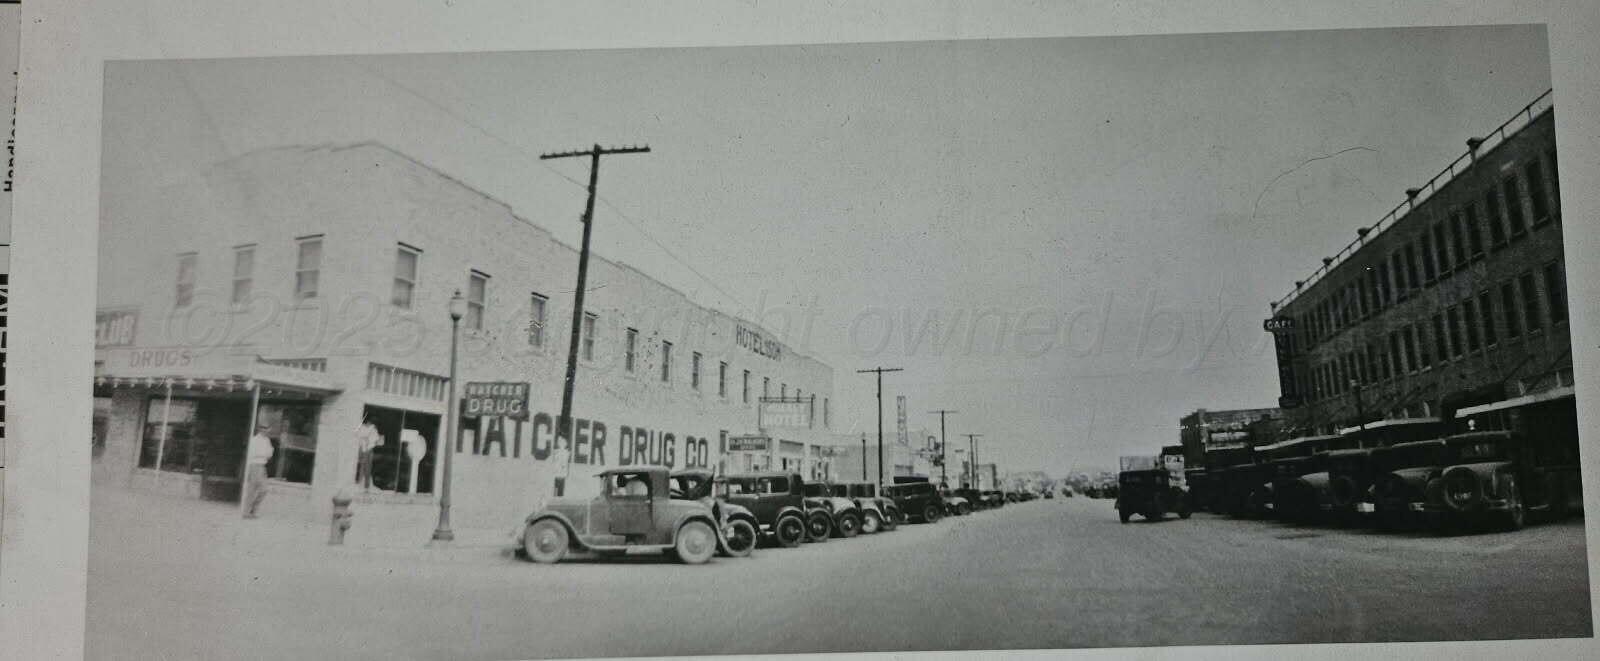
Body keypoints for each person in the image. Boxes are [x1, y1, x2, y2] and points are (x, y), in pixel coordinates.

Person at [242, 424, 275, 519]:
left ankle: (253, 509)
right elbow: (254, 454)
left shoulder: (267, 440)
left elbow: (270, 454)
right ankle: (247, 512)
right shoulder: (254, 440)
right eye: (264, 429)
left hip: (262, 466)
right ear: (260, 429)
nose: (266, 431)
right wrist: (266, 453)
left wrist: (266, 453)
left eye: (267, 429)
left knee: (264, 489)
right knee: (252, 489)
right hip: (255, 465)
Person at [355, 418, 381, 491]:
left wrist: (369, 441)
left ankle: (366, 485)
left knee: (367, 467)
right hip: (361, 448)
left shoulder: (373, 429)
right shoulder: (361, 427)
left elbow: (375, 439)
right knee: (360, 466)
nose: (370, 424)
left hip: (368, 449)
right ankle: (359, 483)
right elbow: (357, 436)